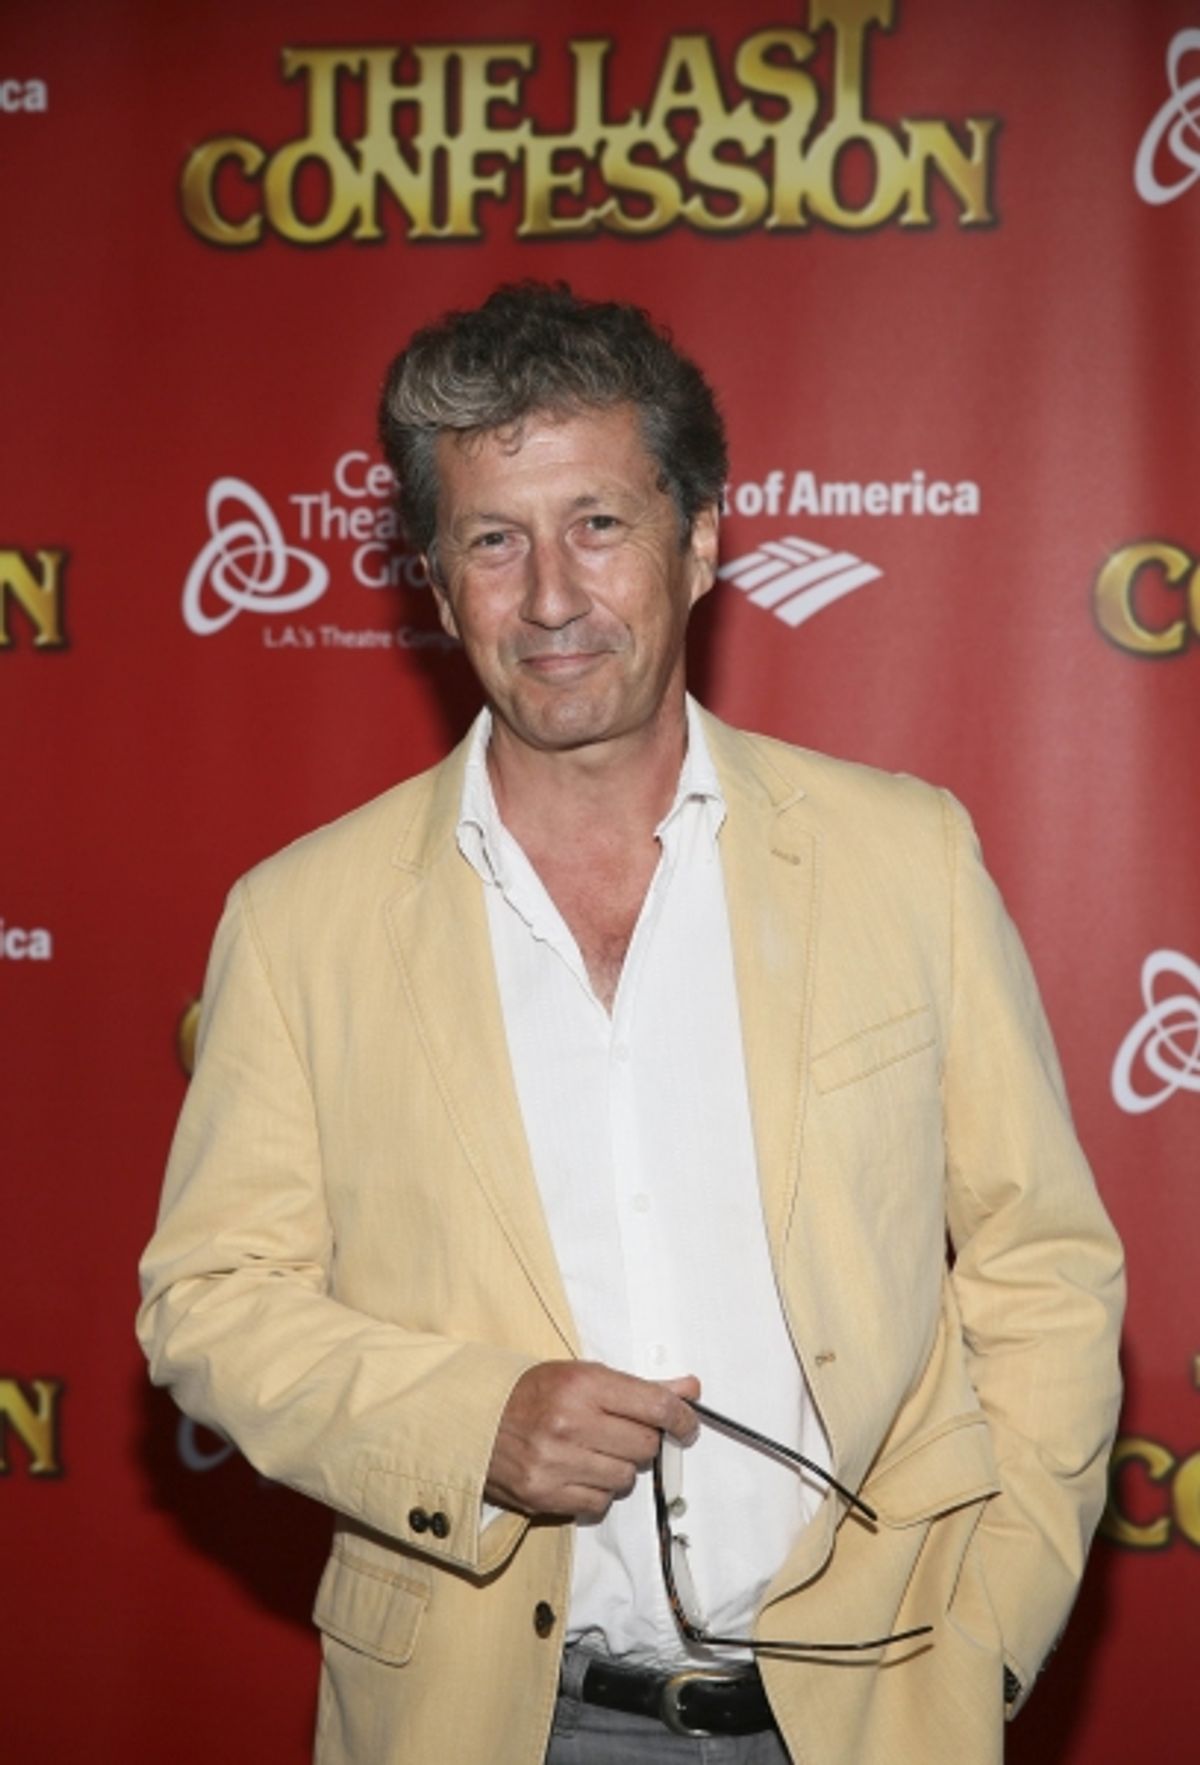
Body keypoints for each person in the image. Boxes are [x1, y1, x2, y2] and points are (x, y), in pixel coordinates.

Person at [138, 283, 1124, 1765]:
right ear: (435, 574)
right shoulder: (302, 920)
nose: (549, 598)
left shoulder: (901, 857)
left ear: (704, 539)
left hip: (870, 1712)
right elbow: (209, 1297)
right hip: (492, 1722)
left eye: (597, 523)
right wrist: (473, 1419)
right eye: (493, 538)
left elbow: (1042, 1267)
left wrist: (984, 1640)